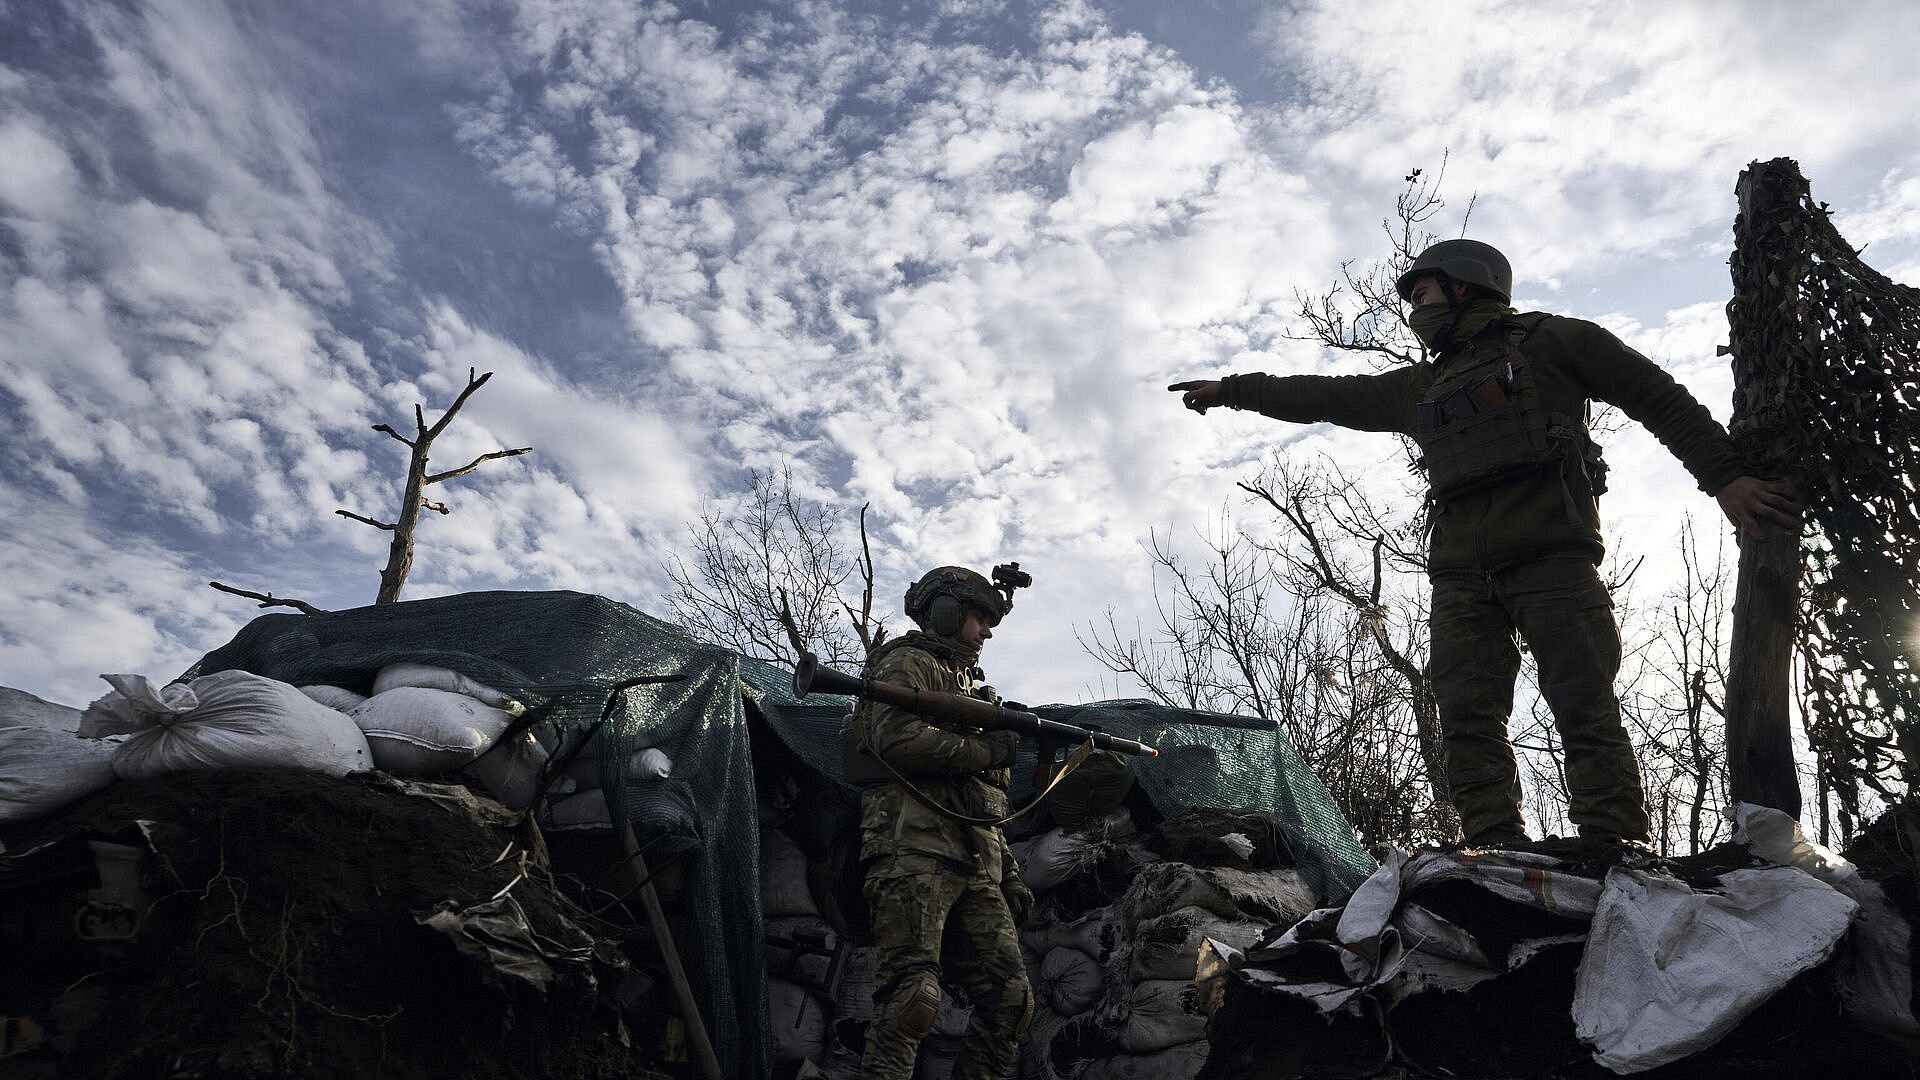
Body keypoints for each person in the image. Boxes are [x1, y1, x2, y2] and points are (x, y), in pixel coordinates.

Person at [1168, 239, 1800, 847]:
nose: (1415, 311)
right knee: (1466, 716)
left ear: (1465, 286)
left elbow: (1658, 398)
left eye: (1424, 295)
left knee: (1583, 702)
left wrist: (1725, 478)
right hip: (1460, 577)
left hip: (1552, 559)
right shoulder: (1420, 387)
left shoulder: (1554, 341)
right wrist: (1234, 391)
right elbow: (1323, 396)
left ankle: (1614, 841)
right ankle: (1494, 847)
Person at [851, 566, 1034, 1080]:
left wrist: (1009, 872)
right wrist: (984, 750)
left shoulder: (972, 688)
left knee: (1012, 1002)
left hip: (976, 864)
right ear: (947, 612)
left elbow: (982, 797)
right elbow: (894, 738)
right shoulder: (908, 663)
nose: (986, 632)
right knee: (911, 1001)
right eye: (979, 618)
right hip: (913, 849)